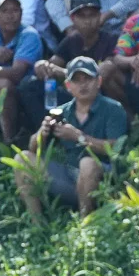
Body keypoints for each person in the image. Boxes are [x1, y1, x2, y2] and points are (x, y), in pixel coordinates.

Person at [13, 56, 125, 219]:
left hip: (104, 182)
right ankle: (37, 224)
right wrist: (42, 134)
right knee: (21, 159)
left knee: (87, 163)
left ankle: (84, 222)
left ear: (99, 82)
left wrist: (78, 137)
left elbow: (115, 148)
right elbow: (33, 150)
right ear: (68, 86)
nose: (83, 84)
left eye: (88, 79)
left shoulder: (113, 109)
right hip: (69, 177)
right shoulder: (61, 112)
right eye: (77, 80)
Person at [10, 0, 116, 140]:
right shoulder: (71, 40)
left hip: (98, 99)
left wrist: (61, 73)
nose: (87, 21)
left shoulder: (110, 40)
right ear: (73, 18)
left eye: (92, 15)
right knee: (29, 84)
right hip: (73, 97)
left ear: (99, 16)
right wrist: (43, 66)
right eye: (82, 16)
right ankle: (46, 134)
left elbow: (102, 75)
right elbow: (53, 64)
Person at [0, 0, 41, 128]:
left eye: (15, 10)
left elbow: (16, 74)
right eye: (4, 10)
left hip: (23, 97)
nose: (11, 16)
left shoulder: (29, 35)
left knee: (3, 85)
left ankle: (9, 141)